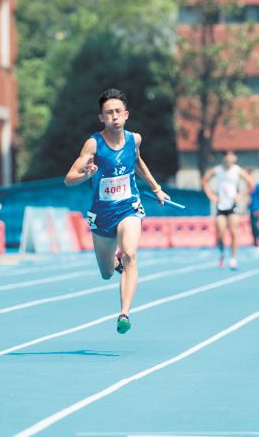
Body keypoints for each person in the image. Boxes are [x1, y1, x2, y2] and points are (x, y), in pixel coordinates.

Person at [65, 88, 169, 334]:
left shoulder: (135, 139)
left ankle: (124, 313)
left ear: (126, 115)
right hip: (101, 215)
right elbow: (69, 179)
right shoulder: (93, 144)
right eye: (108, 113)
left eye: (118, 112)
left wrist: (156, 188)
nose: (114, 117)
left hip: (128, 207)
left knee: (131, 254)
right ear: (101, 117)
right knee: (106, 273)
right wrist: (86, 174)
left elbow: (138, 162)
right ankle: (114, 260)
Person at [201, 151, 255, 270]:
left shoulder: (237, 170)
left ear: (234, 158)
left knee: (233, 232)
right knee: (220, 233)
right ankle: (222, 253)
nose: (229, 159)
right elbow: (204, 180)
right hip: (221, 205)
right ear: (223, 158)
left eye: (231, 157)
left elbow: (251, 183)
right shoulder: (217, 170)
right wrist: (211, 195)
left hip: (232, 205)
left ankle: (233, 259)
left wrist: (241, 195)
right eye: (227, 157)